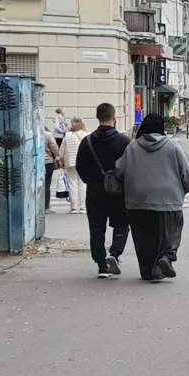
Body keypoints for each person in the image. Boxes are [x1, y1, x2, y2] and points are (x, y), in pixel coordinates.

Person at [115, 113, 189, 282]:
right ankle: (166, 257)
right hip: (168, 198)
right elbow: (186, 171)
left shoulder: (132, 147)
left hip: (138, 200)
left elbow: (119, 171)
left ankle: (147, 271)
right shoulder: (173, 146)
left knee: (143, 238)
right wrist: (185, 189)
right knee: (171, 231)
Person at [75, 103, 133, 278]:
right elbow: (131, 167)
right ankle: (114, 254)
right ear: (114, 118)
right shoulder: (124, 142)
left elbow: (80, 167)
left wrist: (92, 181)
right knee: (122, 224)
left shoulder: (87, 142)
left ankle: (101, 265)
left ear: (97, 117)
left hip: (94, 191)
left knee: (96, 228)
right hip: (118, 192)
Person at [62, 119, 87, 214]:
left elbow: (62, 150)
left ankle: (74, 207)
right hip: (84, 163)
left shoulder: (67, 135)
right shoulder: (86, 134)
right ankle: (83, 207)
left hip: (70, 163)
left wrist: (60, 159)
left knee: (72, 184)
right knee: (83, 184)